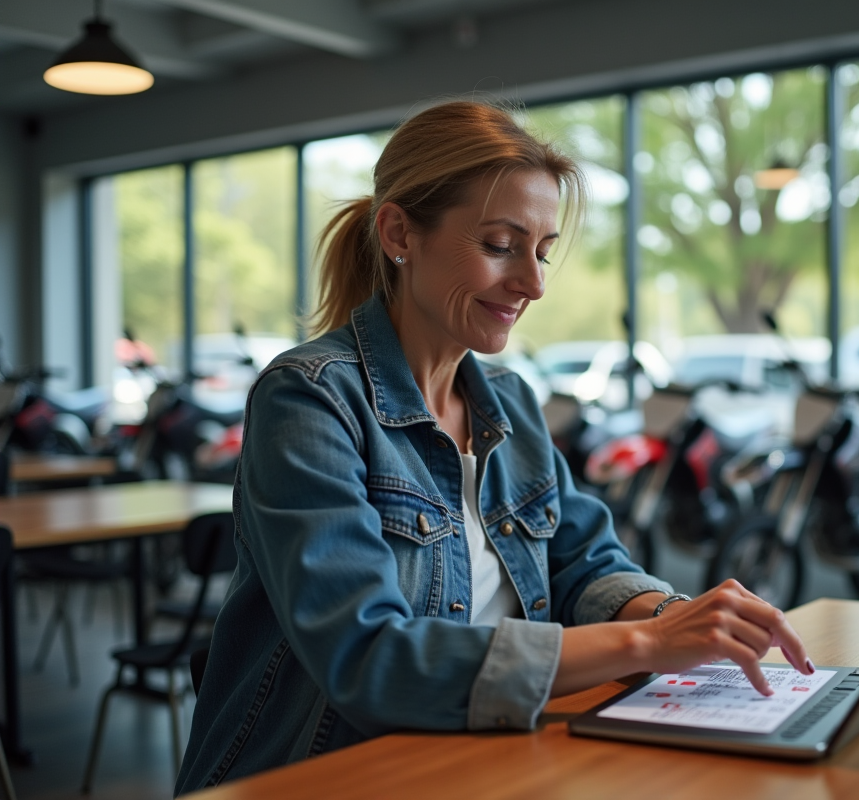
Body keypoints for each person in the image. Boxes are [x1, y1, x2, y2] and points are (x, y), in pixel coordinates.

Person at [175, 100, 812, 794]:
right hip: (328, 772)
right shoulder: (310, 399)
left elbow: (581, 562)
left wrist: (674, 617)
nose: (534, 284)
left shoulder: (508, 400)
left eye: (541, 251)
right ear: (399, 233)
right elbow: (368, 658)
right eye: (500, 245)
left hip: (487, 757)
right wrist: (647, 643)